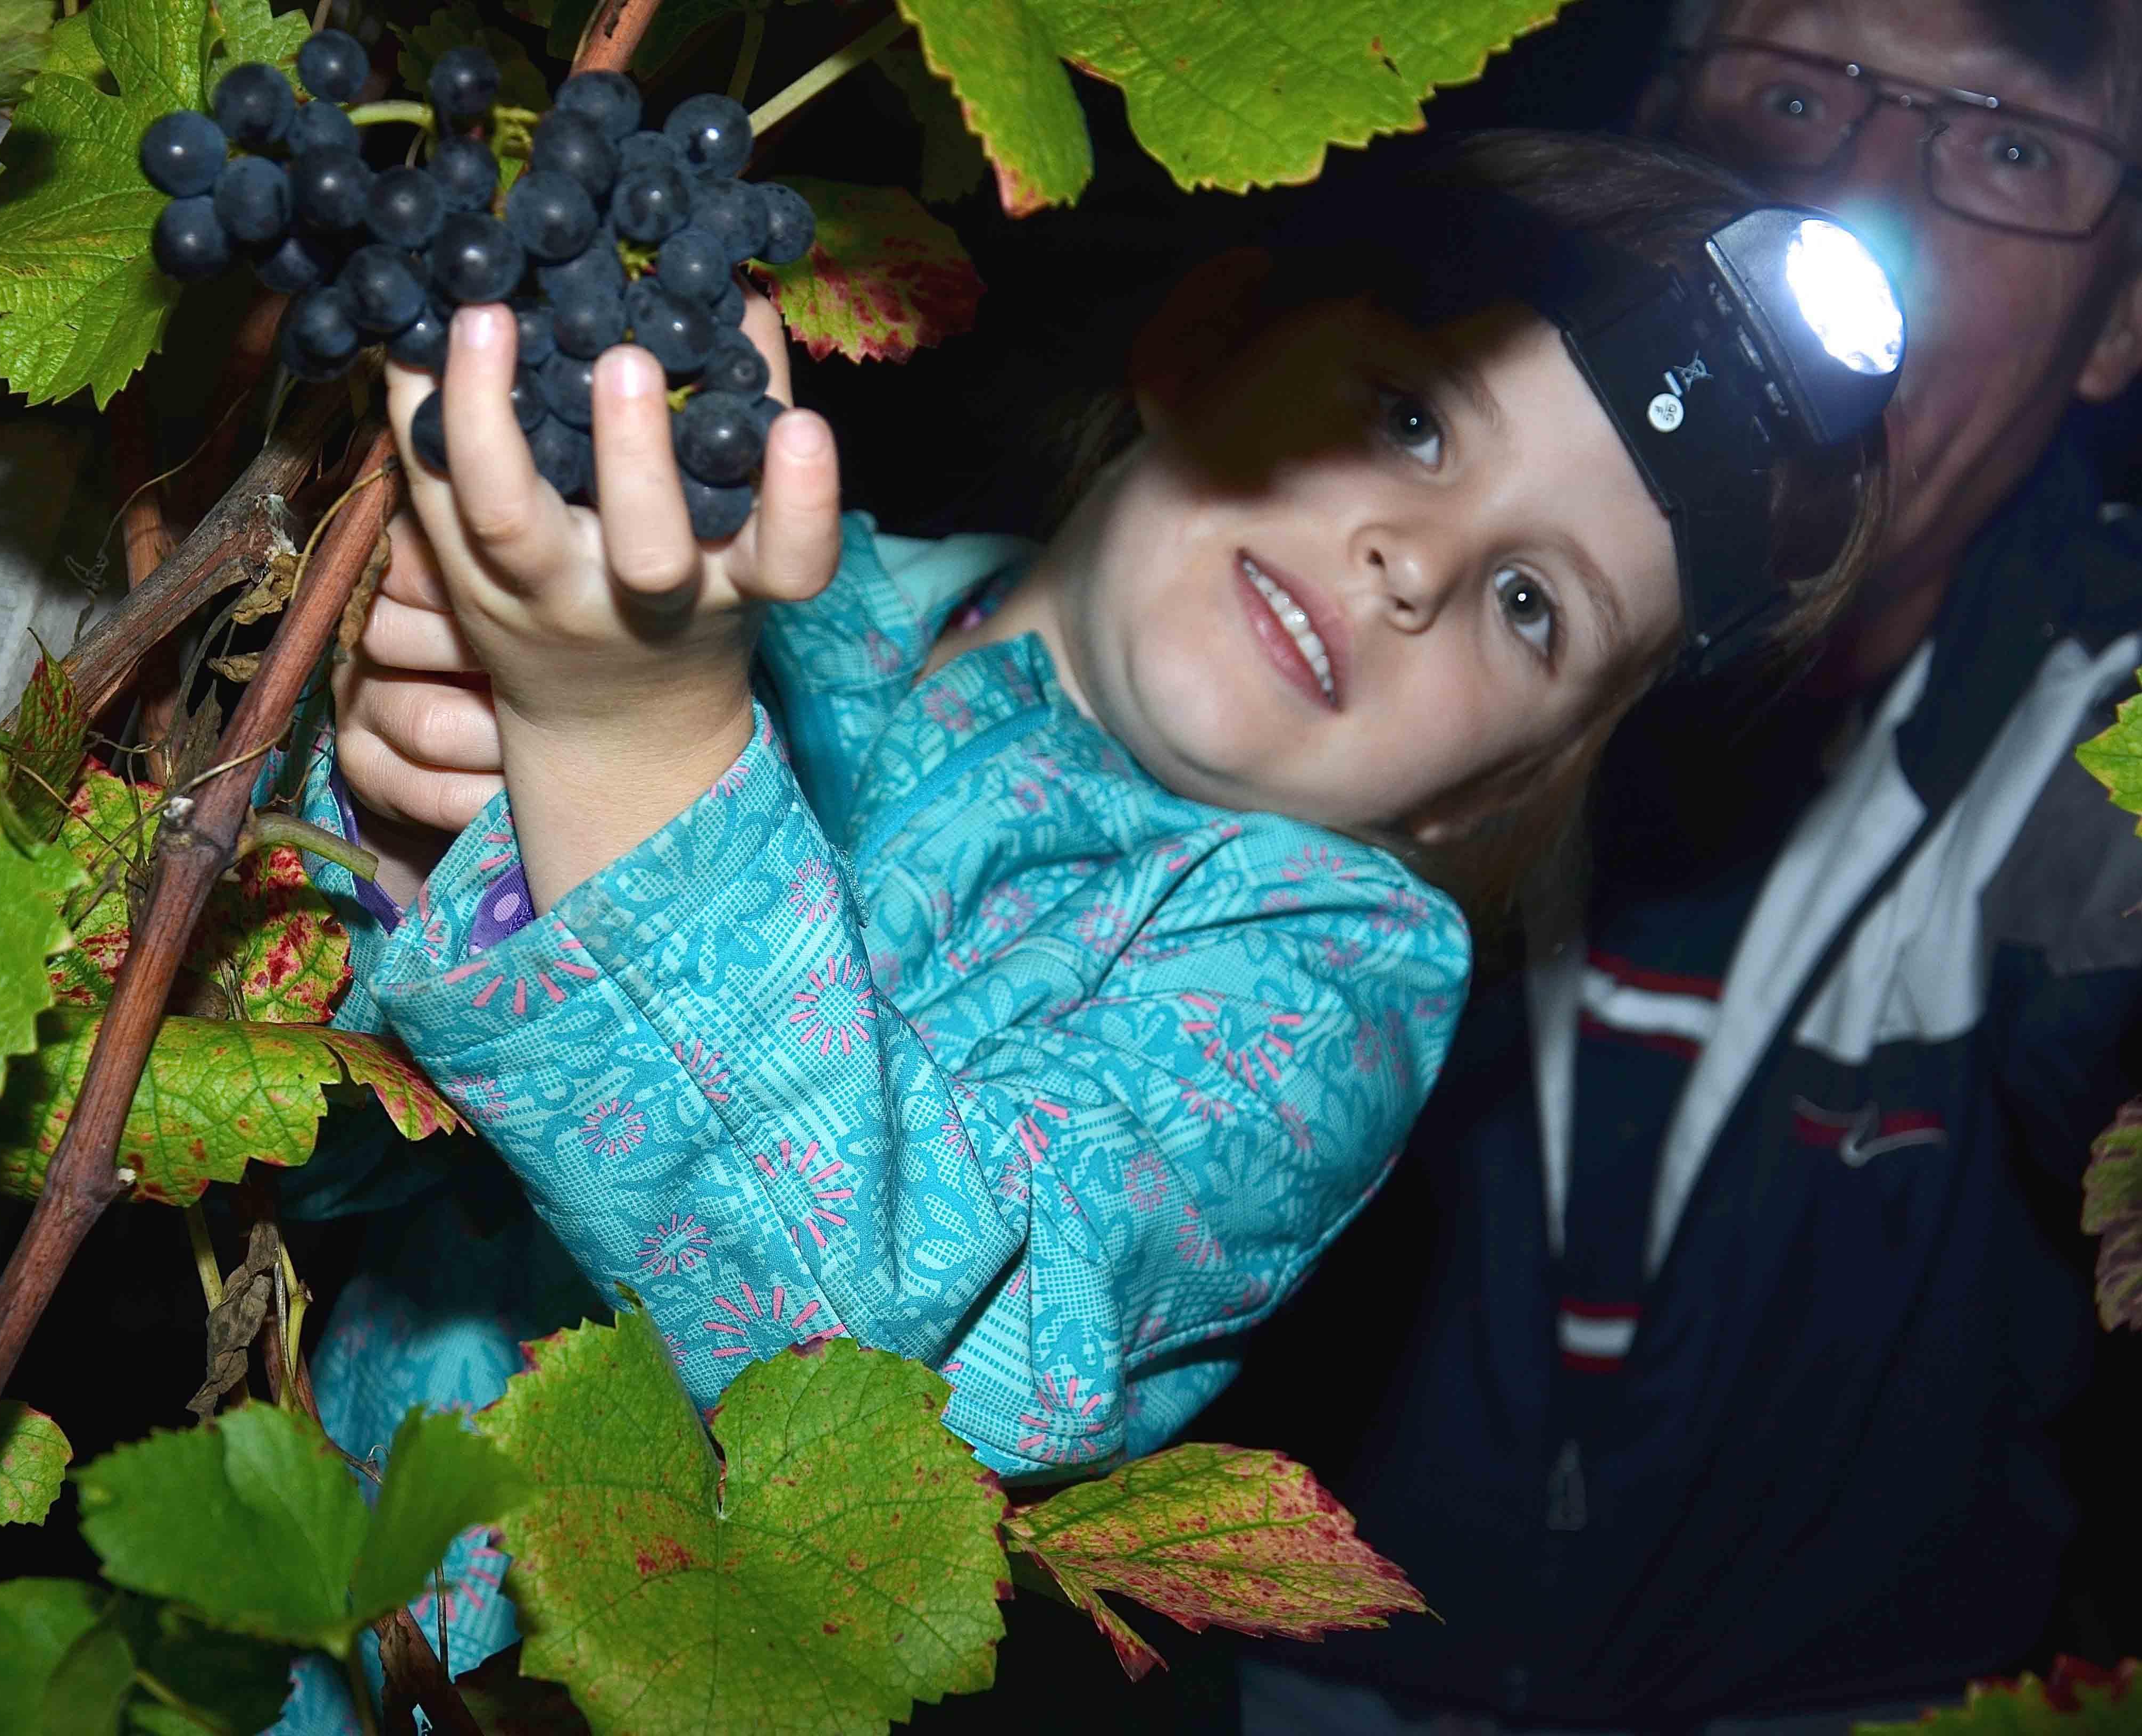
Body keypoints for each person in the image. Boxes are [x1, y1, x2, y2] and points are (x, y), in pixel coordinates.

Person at [263, 128, 1893, 1723]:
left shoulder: (1323, 979)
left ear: (1505, 783)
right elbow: (310, 1159)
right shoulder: (758, 604)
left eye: (1532, 606)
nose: (1413, 566)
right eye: (1407, 419)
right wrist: (401, 849)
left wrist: (628, 751)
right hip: (269, 1603)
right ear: (1204, 343)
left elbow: (899, 1379)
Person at [1236, 2, 2142, 1731]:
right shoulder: (1333, 543)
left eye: (2008, 145)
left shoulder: (2104, 727)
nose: (1851, 197)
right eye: (1791, 86)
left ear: (2121, 318)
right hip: (1304, 1672)